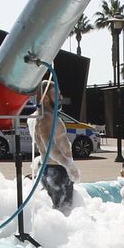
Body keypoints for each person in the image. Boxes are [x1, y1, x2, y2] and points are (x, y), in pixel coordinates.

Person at [32, 80, 78, 214]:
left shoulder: (45, 116)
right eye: (56, 95)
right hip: (55, 171)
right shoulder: (45, 118)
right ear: (46, 98)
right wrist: (69, 166)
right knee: (63, 213)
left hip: (55, 170)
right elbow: (50, 149)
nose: (60, 98)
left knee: (61, 211)